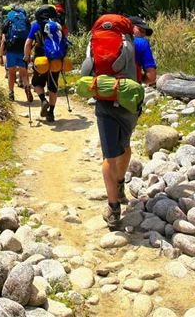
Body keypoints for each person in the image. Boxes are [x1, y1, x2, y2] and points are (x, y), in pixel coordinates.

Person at [85, 14, 157, 230]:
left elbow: (88, 71)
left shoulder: (96, 41)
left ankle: (113, 208)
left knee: (109, 156)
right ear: (132, 28)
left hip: (104, 102)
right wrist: (136, 82)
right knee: (124, 146)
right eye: (141, 29)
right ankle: (120, 184)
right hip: (130, 105)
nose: (142, 34)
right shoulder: (141, 45)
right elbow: (152, 76)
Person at [23, 5, 66, 122]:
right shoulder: (58, 25)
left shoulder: (36, 25)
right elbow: (64, 42)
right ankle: (51, 113)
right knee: (53, 86)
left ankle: (43, 100)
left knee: (36, 82)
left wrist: (26, 56)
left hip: (41, 60)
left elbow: (28, 43)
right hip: (56, 60)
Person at [0, 6, 33, 102]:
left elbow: (3, 40)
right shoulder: (26, 21)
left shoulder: (8, 21)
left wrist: (1, 56)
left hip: (11, 51)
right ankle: (27, 87)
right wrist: (29, 54)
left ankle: (11, 93)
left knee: (11, 73)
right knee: (24, 73)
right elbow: (29, 40)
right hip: (23, 51)